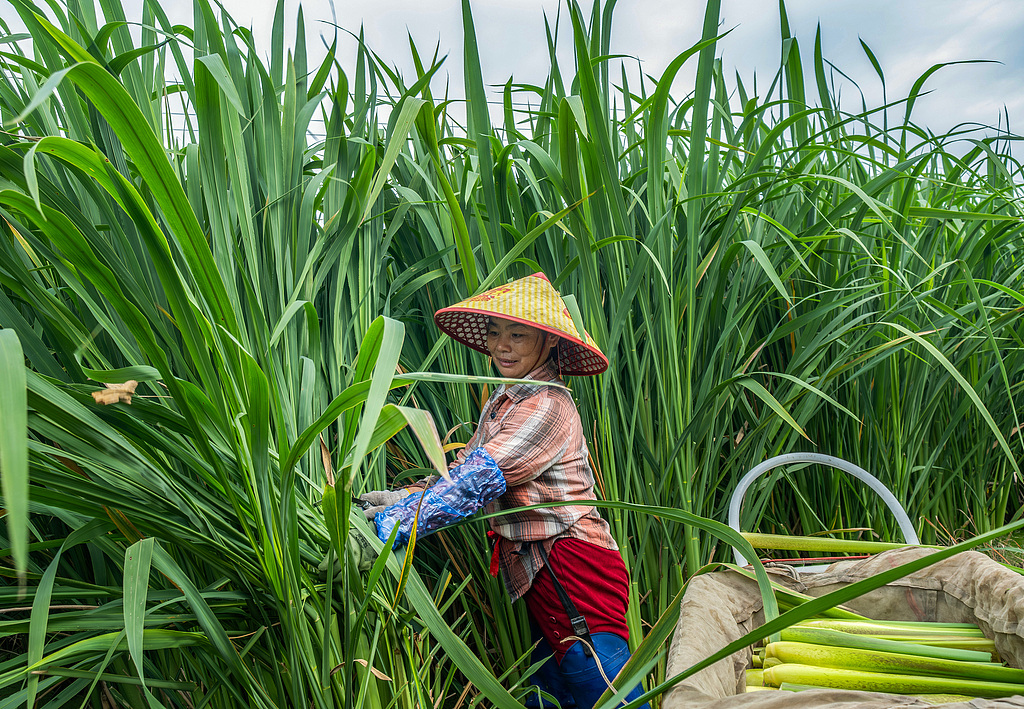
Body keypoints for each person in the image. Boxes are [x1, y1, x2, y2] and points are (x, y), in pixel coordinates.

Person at [360, 272, 647, 709]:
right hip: (539, 569)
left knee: (606, 695)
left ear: (549, 341)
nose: (502, 346)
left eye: (517, 334)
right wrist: (402, 497)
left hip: (574, 566)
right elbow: (458, 471)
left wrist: (386, 530)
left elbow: (477, 481)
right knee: (549, 694)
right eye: (494, 333)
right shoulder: (504, 401)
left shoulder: (548, 405)